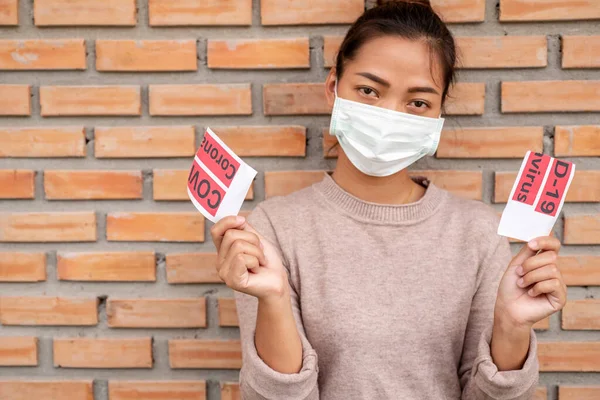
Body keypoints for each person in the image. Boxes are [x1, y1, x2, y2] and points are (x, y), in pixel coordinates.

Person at [210, 0, 567, 398]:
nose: (389, 115)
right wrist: (273, 300)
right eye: (368, 90)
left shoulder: (479, 233)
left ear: (438, 115)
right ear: (334, 89)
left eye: (417, 102)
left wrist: (511, 328)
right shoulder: (274, 228)